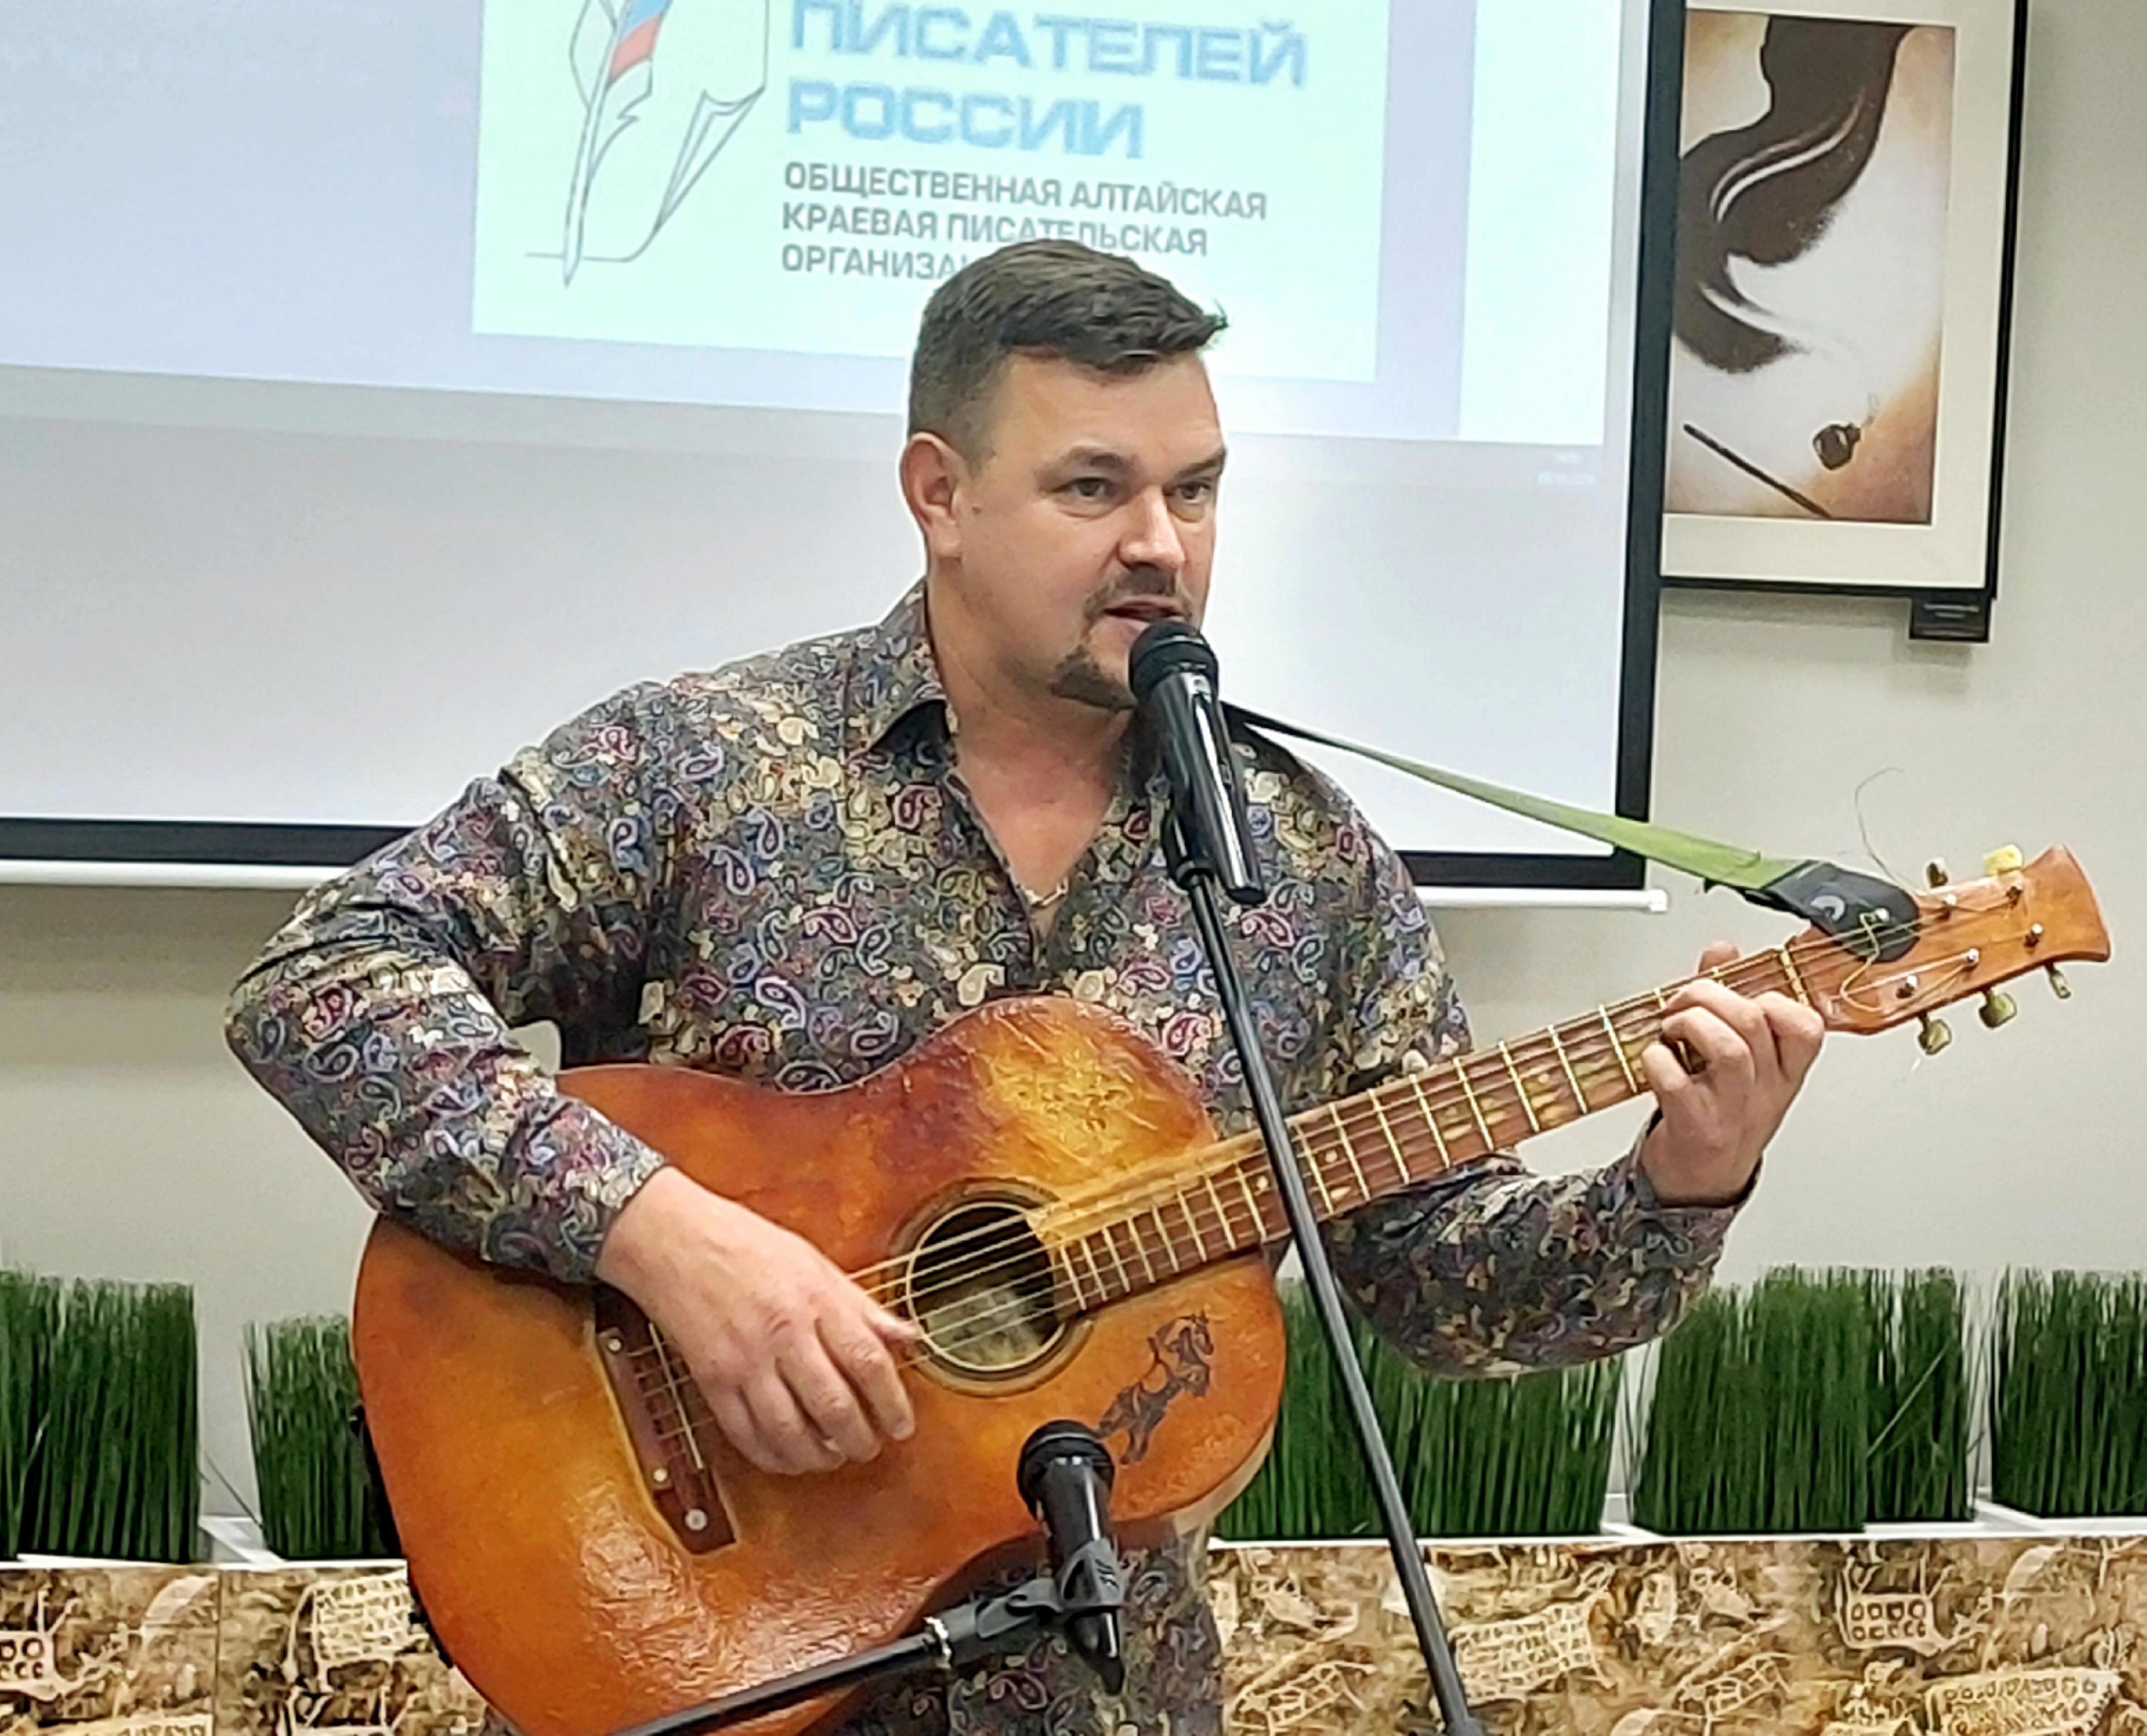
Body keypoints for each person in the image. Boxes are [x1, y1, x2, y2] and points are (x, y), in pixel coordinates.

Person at [225, 240, 1824, 1735]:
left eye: (1196, 490)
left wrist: (1685, 1175)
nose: (1161, 544)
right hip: (718, 1661)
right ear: (940, 493)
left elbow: (1441, 1286)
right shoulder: (706, 768)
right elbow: (322, 977)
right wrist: (668, 1237)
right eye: (1093, 487)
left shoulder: (1302, 860)